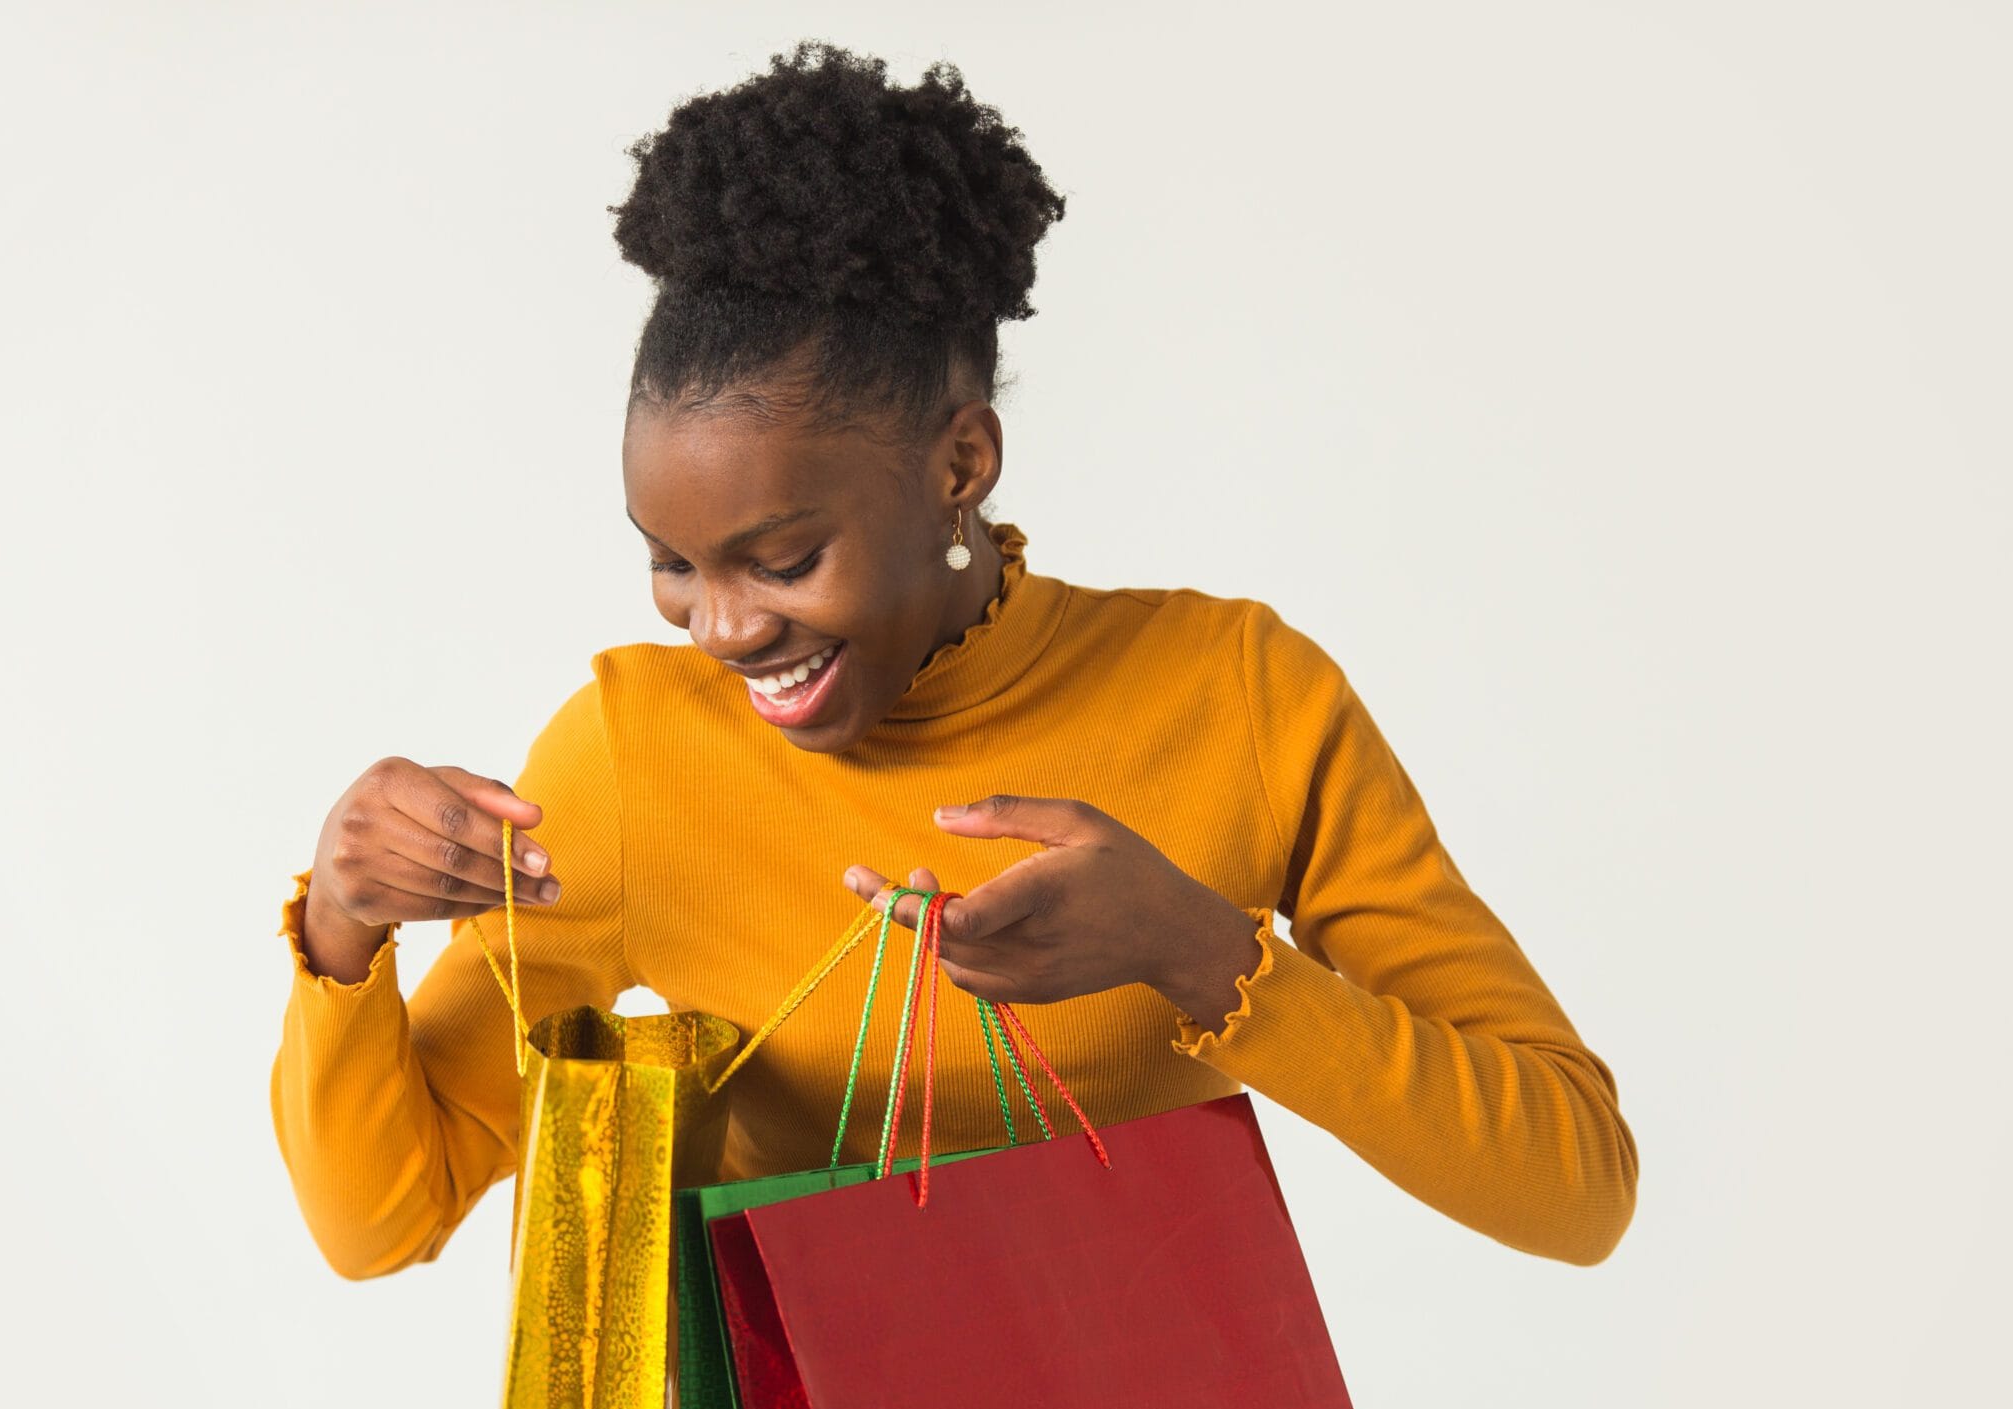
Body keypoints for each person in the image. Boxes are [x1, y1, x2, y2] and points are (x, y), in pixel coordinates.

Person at [268, 40, 1638, 1302]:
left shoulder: (1241, 697)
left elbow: (1575, 1187)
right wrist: (342, 925)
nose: (722, 630)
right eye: (674, 563)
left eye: (784, 559)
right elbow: (380, 1217)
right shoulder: (631, 756)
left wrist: (1199, 952)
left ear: (960, 465)